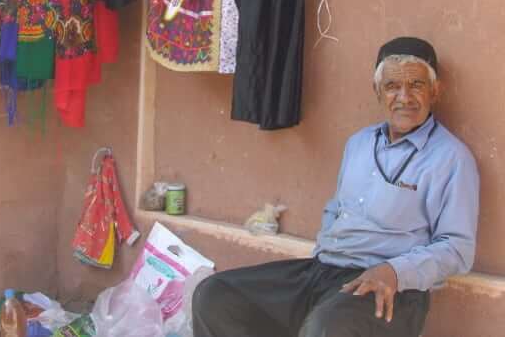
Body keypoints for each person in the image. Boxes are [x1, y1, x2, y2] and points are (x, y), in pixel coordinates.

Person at [192, 37, 480, 337]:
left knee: (326, 328)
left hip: (390, 287)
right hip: (323, 270)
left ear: (435, 90)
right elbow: (336, 209)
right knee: (215, 296)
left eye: (416, 85)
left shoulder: (451, 157)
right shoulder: (359, 143)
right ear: (377, 91)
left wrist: (394, 272)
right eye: (392, 86)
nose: (404, 97)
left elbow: (457, 250)